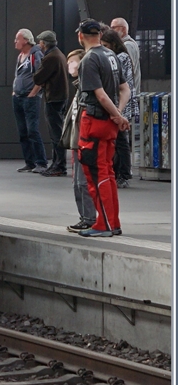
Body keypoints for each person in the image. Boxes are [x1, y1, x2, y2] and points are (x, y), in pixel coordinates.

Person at [75, 19, 130, 237]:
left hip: (95, 122)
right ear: (99, 34)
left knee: (96, 173)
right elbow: (124, 89)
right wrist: (118, 114)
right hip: (108, 123)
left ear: (81, 36)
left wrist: (116, 115)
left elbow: (100, 95)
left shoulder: (89, 59)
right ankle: (112, 221)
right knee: (107, 170)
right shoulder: (111, 55)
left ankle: (104, 223)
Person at [61, 48, 96, 232]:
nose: (70, 66)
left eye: (73, 62)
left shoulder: (86, 88)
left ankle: (89, 218)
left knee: (83, 182)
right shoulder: (78, 87)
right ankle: (85, 217)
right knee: (77, 182)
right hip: (77, 141)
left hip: (84, 140)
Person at [101, 28, 138, 188]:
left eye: (106, 45)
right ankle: (119, 172)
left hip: (122, 103)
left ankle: (123, 173)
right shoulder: (119, 56)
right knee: (119, 139)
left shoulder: (119, 57)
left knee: (122, 140)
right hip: (120, 102)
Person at [31, 31, 68, 175]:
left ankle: (59, 165)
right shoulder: (59, 54)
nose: (39, 44)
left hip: (54, 98)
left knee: (55, 134)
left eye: (40, 42)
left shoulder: (50, 58)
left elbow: (38, 78)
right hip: (61, 97)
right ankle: (58, 164)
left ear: (44, 43)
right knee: (57, 132)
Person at [11, 28, 48, 173]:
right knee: (23, 131)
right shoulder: (20, 55)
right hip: (18, 97)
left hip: (30, 98)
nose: (15, 41)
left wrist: (33, 93)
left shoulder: (35, 54)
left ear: (25, 40)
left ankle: (41, 162)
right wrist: (14, 91)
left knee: (32, 130)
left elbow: (41, 76)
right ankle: (30, 162)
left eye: (17, 39)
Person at [110, 18, 142, 93]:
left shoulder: (127, 45)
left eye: (113, 28)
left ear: (123, 29)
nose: (111, 31)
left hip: (129, 93)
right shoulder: (128, 43)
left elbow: (128, 70)